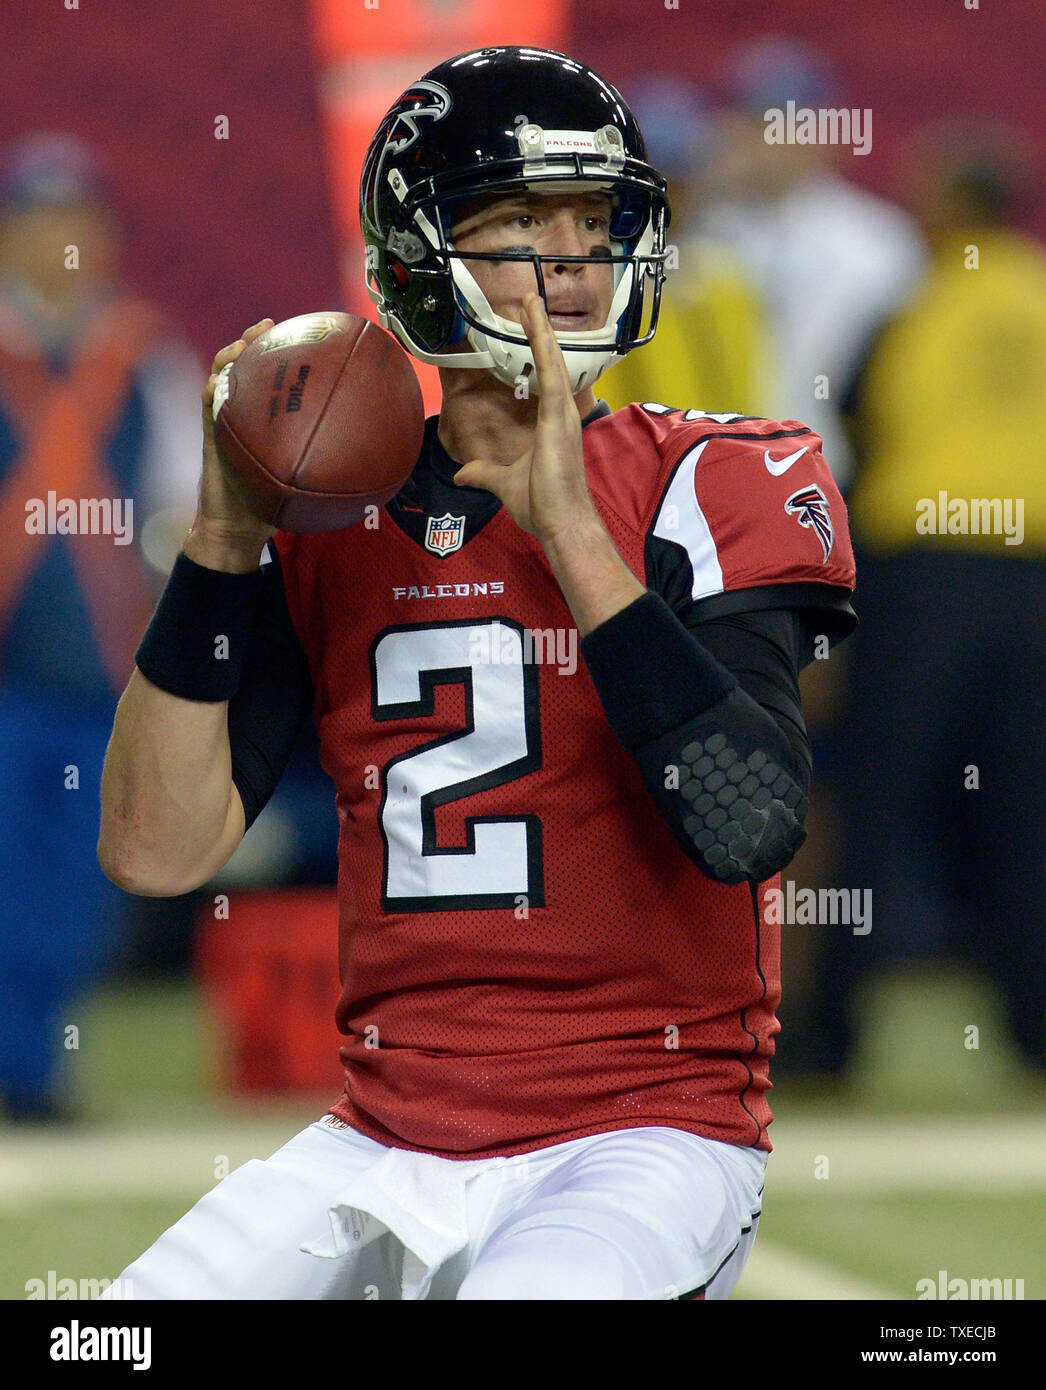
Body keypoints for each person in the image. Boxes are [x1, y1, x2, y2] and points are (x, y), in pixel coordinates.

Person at [97, 47, 856, 1301]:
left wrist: (572, 537)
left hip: (641, 1135)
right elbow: (155, 850)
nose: (570, 259)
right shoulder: (331, 518)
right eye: (518, 222)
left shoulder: (718, 474)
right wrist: (223, 538)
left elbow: (753, 821)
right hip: (382, 1135)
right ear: (414, 259)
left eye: (591, 219)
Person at [0, 132, 202, 1120]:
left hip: (95, 674)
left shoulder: (145, 356)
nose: (61, 242)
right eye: (41, 223)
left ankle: (38, 1071)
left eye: (76, 223)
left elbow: (181, 506)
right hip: (8, 675)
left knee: (76, 886)